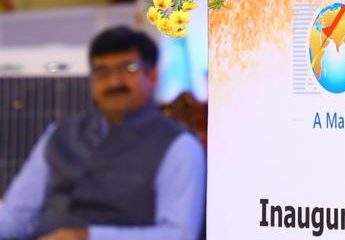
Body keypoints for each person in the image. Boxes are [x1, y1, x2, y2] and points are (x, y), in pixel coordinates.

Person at [0, 27, 206, 239]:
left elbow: (179, 234)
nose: (114, 82)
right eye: (102, 71)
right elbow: (17, 216)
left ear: (152, 76)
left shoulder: (179, 146)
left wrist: (88, 236)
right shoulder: (59, 135)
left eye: (128, 68)